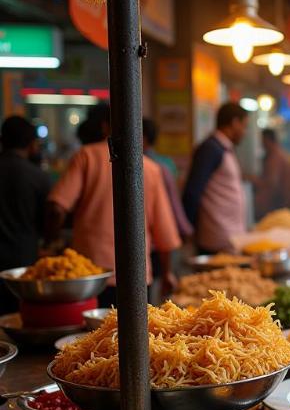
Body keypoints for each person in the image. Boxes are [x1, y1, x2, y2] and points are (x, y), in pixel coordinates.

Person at [46, 103, 181, 307]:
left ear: (104, 127)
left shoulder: (86, 156)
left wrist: (51, 241)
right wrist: (168, 272)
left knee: (91, 336)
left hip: (90, 275)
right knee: (134, 336)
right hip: (136, 274)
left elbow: (57, 206)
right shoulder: (152, 169)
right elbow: (164, 231)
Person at [0, 116, 51, 314]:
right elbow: (46, 218)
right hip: (24, 259)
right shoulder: (38, 177)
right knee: (20, 316)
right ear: (32, 144)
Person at [182, 103, 248, 254]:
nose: (245, 132)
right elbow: (192, 192)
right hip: (216, 238)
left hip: (229, 236)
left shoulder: (224, 148)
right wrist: (188, 228)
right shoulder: (210, 149)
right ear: (234, 122)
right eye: (244, 126)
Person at [143, 118, 192, 240]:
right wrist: (184, 229)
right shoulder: (166, 163)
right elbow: (174, 200)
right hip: (161, 232)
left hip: (152, 233)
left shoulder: (152, 166)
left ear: (142, 138)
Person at [253, 128, 290, 219]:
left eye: (263, 141)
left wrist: (252, 179)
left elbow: (271, 182)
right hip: (274, 204)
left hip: (274, 204)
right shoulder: (275, 154)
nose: (262, 144)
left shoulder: (275, 156)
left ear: (268, 140)